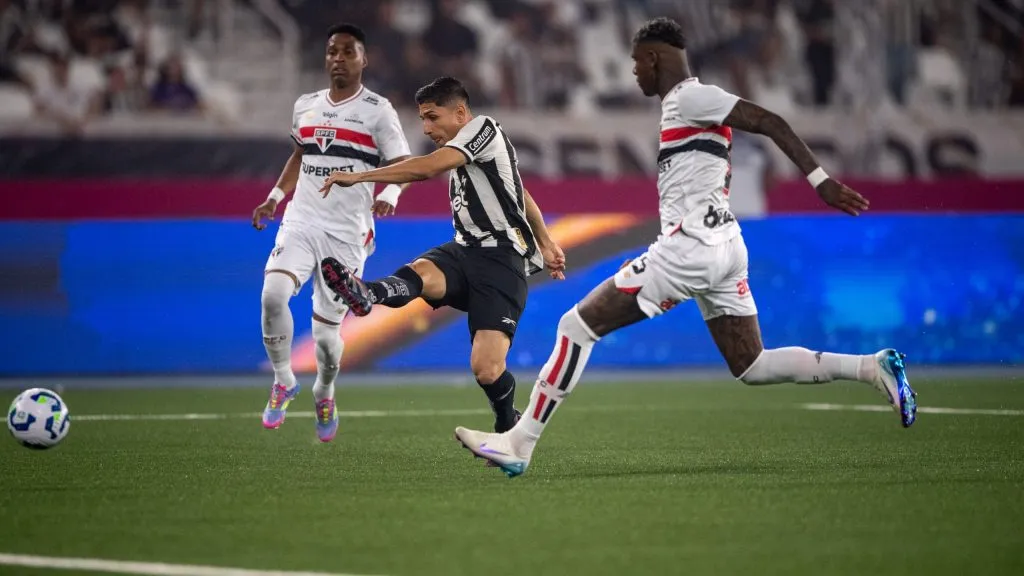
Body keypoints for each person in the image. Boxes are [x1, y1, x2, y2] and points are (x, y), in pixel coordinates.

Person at [453, 17, 917, 478]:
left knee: (576, 327)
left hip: (691, 248)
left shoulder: (691, 96)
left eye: (637, 63)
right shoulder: (683, 108)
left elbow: (768, 120)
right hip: (726, 245)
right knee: (751, 364)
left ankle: (521, 442)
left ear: (655, 58)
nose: (634, 72)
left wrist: (821, 182)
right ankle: (871, 368)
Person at [318, 76, 566, 434]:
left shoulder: (484, 128)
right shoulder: (467, 159)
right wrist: (546, 240)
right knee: (421, 272)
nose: (426, 127)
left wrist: (359, 177)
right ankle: (365, 293)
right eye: (422, 119)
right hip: (464, 251)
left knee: (486, 369)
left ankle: (506, 421)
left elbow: (428, 166)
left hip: (501, 261)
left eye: (432, 117)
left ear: (461, 112)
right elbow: (519, 192)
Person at [252, 23, 412, 442]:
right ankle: (284, 379)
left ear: (364, 59)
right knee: (272, 295)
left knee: (325, 339)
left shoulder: (378, 110)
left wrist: (391, 192)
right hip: (302, 220)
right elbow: (299, 157)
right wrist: (273, 197)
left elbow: (404, 163)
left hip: (346, 234)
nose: (337, 59)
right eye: (331, 52)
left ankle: (324, 390)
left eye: (347, 52)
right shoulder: (306, 105)